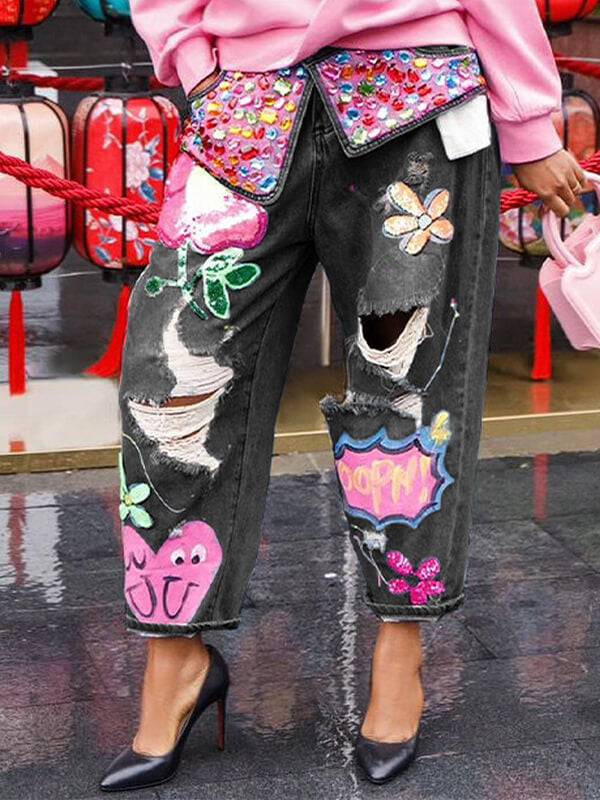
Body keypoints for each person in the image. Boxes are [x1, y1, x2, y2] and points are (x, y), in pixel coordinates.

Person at [100, 0, 584, 791]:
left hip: (416, 97)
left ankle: (399, 651)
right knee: (169, 385)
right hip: (242, 100)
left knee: (406, 385)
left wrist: (530, 123)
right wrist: (194, 62)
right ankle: (175, 653)